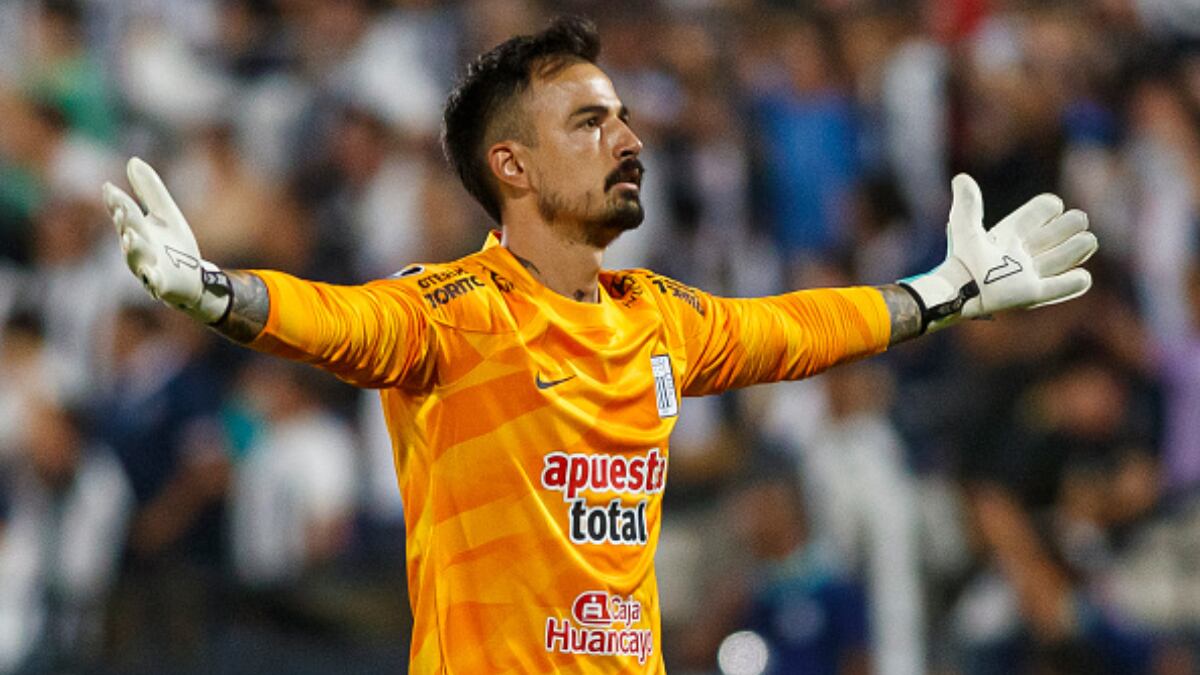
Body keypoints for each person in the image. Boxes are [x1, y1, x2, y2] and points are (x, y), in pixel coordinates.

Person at [99, 16, 1098, 674]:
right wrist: (218, 293)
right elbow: (345, 322)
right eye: (590, 122)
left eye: (623, 117)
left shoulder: (656, 316)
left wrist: (942, 291)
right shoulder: (455, 312)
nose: (629, 139)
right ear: (515, 166)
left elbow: (795, 329)